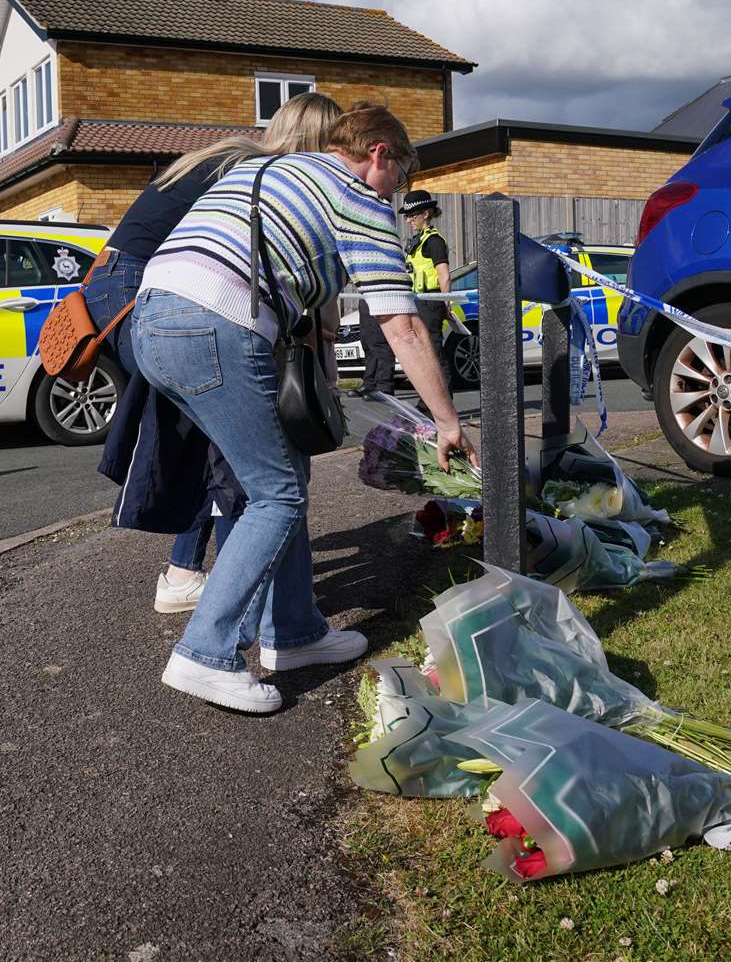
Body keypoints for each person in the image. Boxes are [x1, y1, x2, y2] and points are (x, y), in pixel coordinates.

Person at [131, 102, 479, 714]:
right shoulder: (357, 197)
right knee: (277, 493)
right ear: (378, 153)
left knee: (278, 472)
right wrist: (446, 422)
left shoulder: (264, 172)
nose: (400, 191)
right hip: (215, 324)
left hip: (153, 319)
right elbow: (401, 323)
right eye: (401, 173)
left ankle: (291, 632)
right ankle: (204, 653)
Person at [85, 93, 344, 614]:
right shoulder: (261, 174)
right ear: (313, 143)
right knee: (233, 438)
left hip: (115, 286)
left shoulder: (225, 154)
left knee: (210, 432)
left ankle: (185, 575)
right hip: (146, 290)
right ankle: (239, 593)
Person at [399, 190, 454, 388]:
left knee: (434, 352)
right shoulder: (418, 240)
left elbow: (445, 275)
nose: (408, 221)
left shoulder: (434, 241)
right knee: (422, 353)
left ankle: (444, 403)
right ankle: (428, 403)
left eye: (412, 216)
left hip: (431, 301)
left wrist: (445, 304)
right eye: (407, 216)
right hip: (418, 300)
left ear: (426, 214)